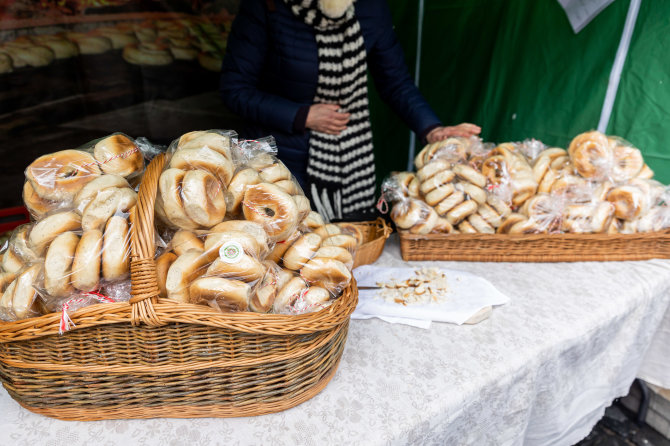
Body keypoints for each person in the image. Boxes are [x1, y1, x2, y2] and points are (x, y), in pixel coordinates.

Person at [220, 0, 480, 220]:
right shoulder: (267, 6)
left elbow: (396, 82)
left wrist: (431, 128)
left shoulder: (370, 7)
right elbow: (235, 89)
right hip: (276, 157)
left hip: (348, 163)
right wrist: (302, 115)